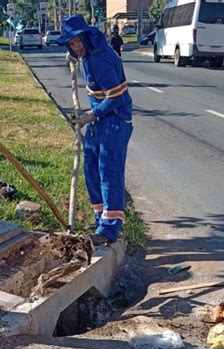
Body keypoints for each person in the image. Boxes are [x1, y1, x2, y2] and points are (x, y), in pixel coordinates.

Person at [57, 16, 133, 246]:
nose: (75, 47)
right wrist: (74, 58)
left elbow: (116, 98)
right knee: (91, 166)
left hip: (116, 120)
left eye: (77, 41)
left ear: (87, 37)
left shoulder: (100, 59)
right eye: (70, 44)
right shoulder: (88, 56)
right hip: (101, 120)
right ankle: (100, 218)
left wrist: (91, 115)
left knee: (109, 172)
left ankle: (109, 230)